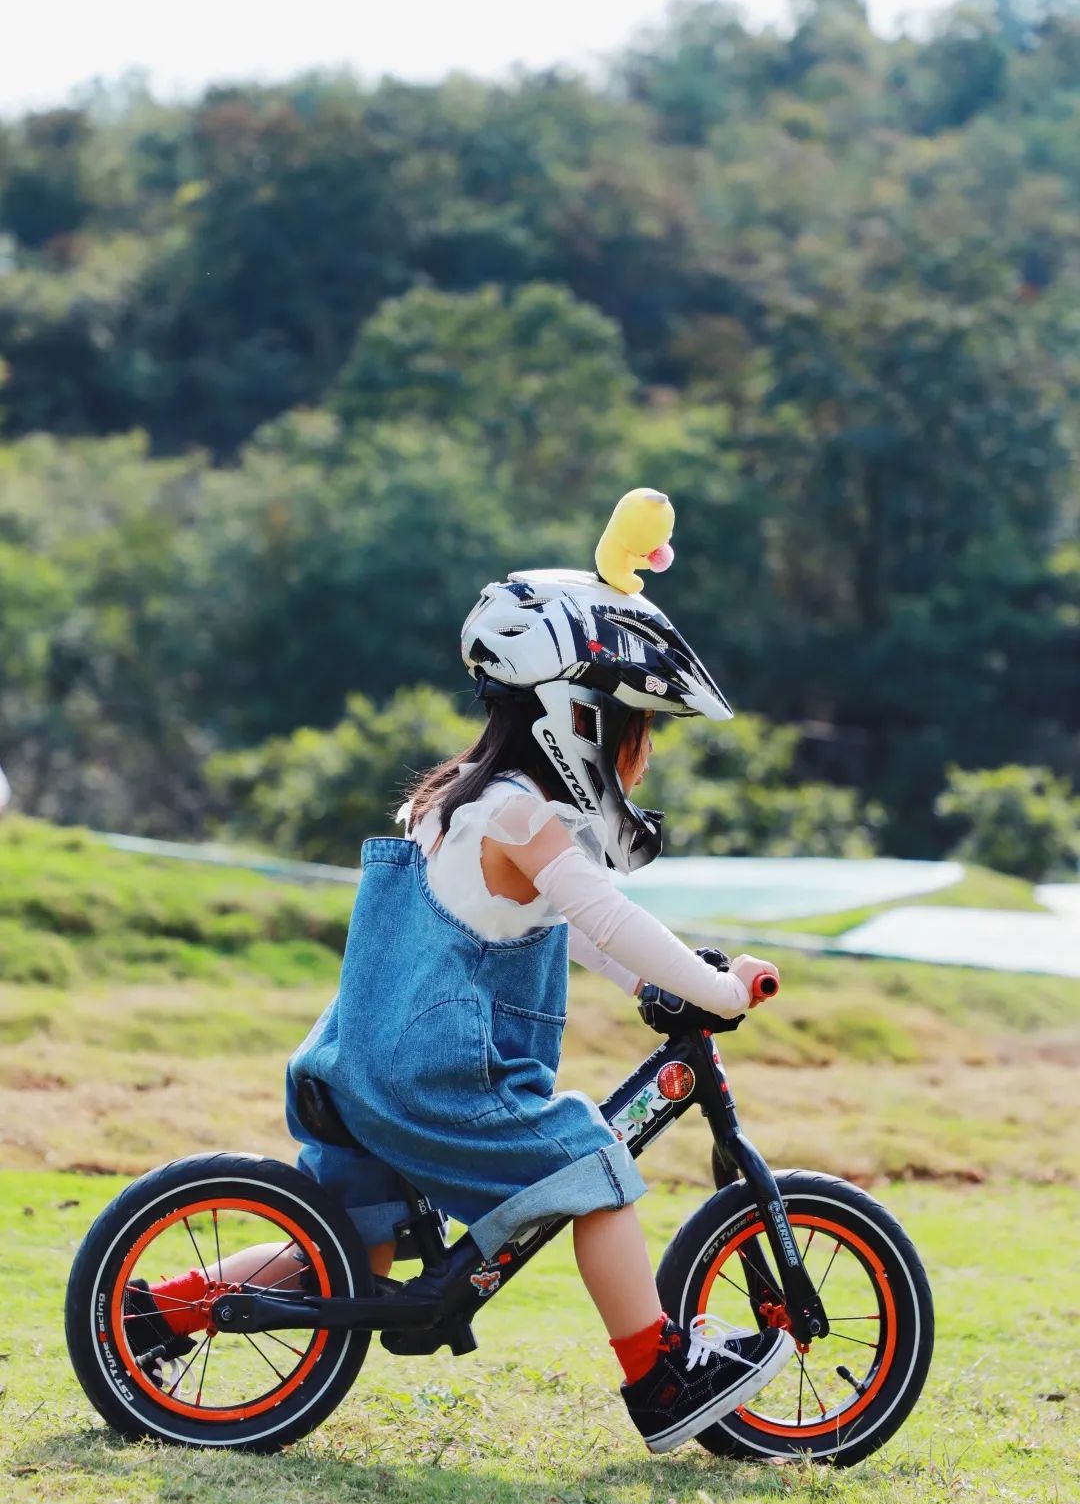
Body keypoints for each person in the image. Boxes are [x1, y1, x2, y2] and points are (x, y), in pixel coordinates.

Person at [126, 564, 792, 1453]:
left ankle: (153, 1313)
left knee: (351, 1253)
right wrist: (715, 988)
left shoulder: (453, 799)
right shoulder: (520, 817)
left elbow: (562, 923)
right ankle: (658, 1375)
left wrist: (646, 983)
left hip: (355, 1061)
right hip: (435, 1075)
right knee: (594, 1166)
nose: (640, 756)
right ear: (579, 716)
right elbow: (601, 909)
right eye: (638, 731)